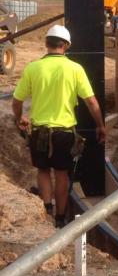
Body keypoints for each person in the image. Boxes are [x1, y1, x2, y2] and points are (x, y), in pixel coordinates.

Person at [12, 25, 105, 228]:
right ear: (66, 45)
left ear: (46, 44)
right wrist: (100, 125)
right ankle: (61, 219)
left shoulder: (33, 68)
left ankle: (47, 209)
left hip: (39, 131)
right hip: (64, 133)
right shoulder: (75, 69)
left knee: (43, 170)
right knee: (61, 173)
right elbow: (91, 102)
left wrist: (19, 118)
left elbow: (17, 101)